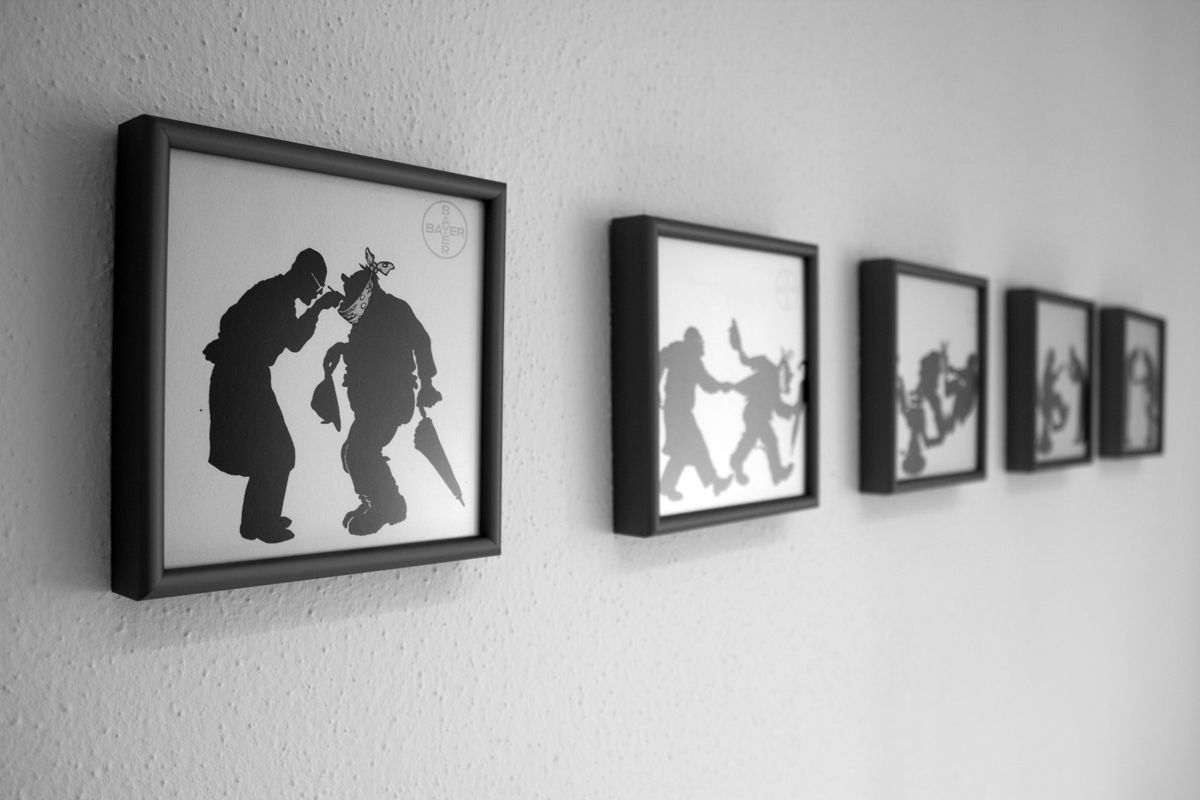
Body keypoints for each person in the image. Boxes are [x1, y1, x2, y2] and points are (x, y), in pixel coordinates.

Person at [203, 248, 342, 543]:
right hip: (243, 381)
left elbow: (233, 321)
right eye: (317, 286)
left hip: (245, 378)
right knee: (279, 453)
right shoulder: (276, 297)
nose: (317, 292)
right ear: (305, 276)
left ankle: (256, 521)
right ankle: (261, 523)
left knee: (270, 453)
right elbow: (294, 340)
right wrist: (319, 308)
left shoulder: (274, 293)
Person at [320, 251, 440, 535]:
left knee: (360, 452)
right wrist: (343, 349)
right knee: (353, 453)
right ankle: (376, 500)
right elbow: (368, 351)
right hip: (371, 401)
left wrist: (427, 384)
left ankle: (387, 505)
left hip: (391, 398)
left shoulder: (394, 309)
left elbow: (421, 341)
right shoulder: (368, 319)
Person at [658, 327, 734, 501]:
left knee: (681, 451)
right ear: (693, 341)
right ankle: (714, 481)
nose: (701, 345)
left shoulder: (692, 359)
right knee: (696, 445)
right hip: (677, 410)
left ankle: (667, 486)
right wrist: (654, 389)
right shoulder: (679, 352)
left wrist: (723, 386)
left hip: (680, 410)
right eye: (699, 341)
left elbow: (707, 383)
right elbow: (658, 362)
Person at [727, 319, 800, 486]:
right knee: (763, 440)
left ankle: (743, 463)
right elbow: (746, 361)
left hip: (757, 415)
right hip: (753, 413)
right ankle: (773, 472)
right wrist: (738, 347)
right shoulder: (767, 366)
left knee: (754, 439)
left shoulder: (775, 389)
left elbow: (780, 408)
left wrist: (794, 409)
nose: (786, 381)